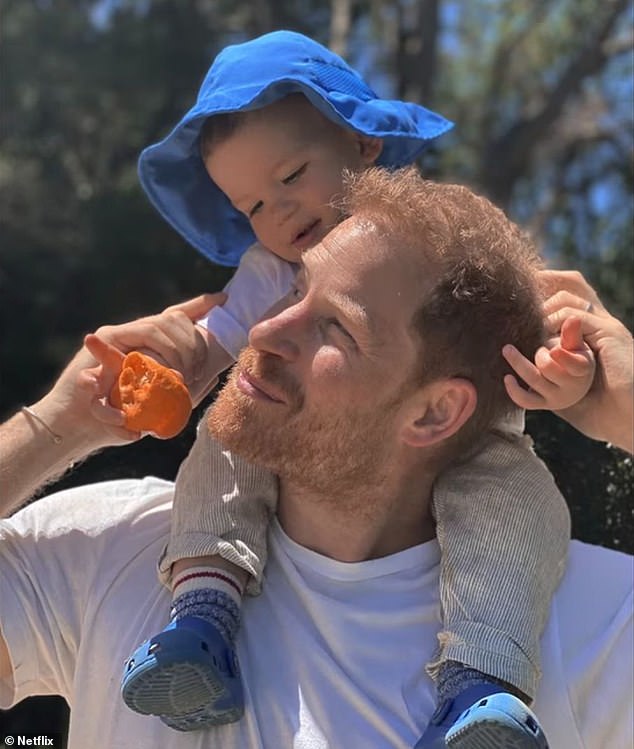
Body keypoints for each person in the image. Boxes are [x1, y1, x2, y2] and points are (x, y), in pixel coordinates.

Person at [81, 32, 593, 747]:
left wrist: (562, 372)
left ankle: (483, 683)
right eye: (253, 204)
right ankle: (203, 615)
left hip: (468, 443)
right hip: (315, 455)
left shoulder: (436, 233)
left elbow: (516, 321)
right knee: (226, 438)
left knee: (518, 496)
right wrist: (164, 376)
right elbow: (216, 340)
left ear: (364, 144)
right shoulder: (266, 273)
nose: (279, 212)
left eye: (291, 174)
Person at [0, 170, 631, 749]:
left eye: (335, 327)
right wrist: (57, 425)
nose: (266, 332)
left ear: (435, 412)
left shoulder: (588, 622)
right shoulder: (118, 545)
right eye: (295, 287)